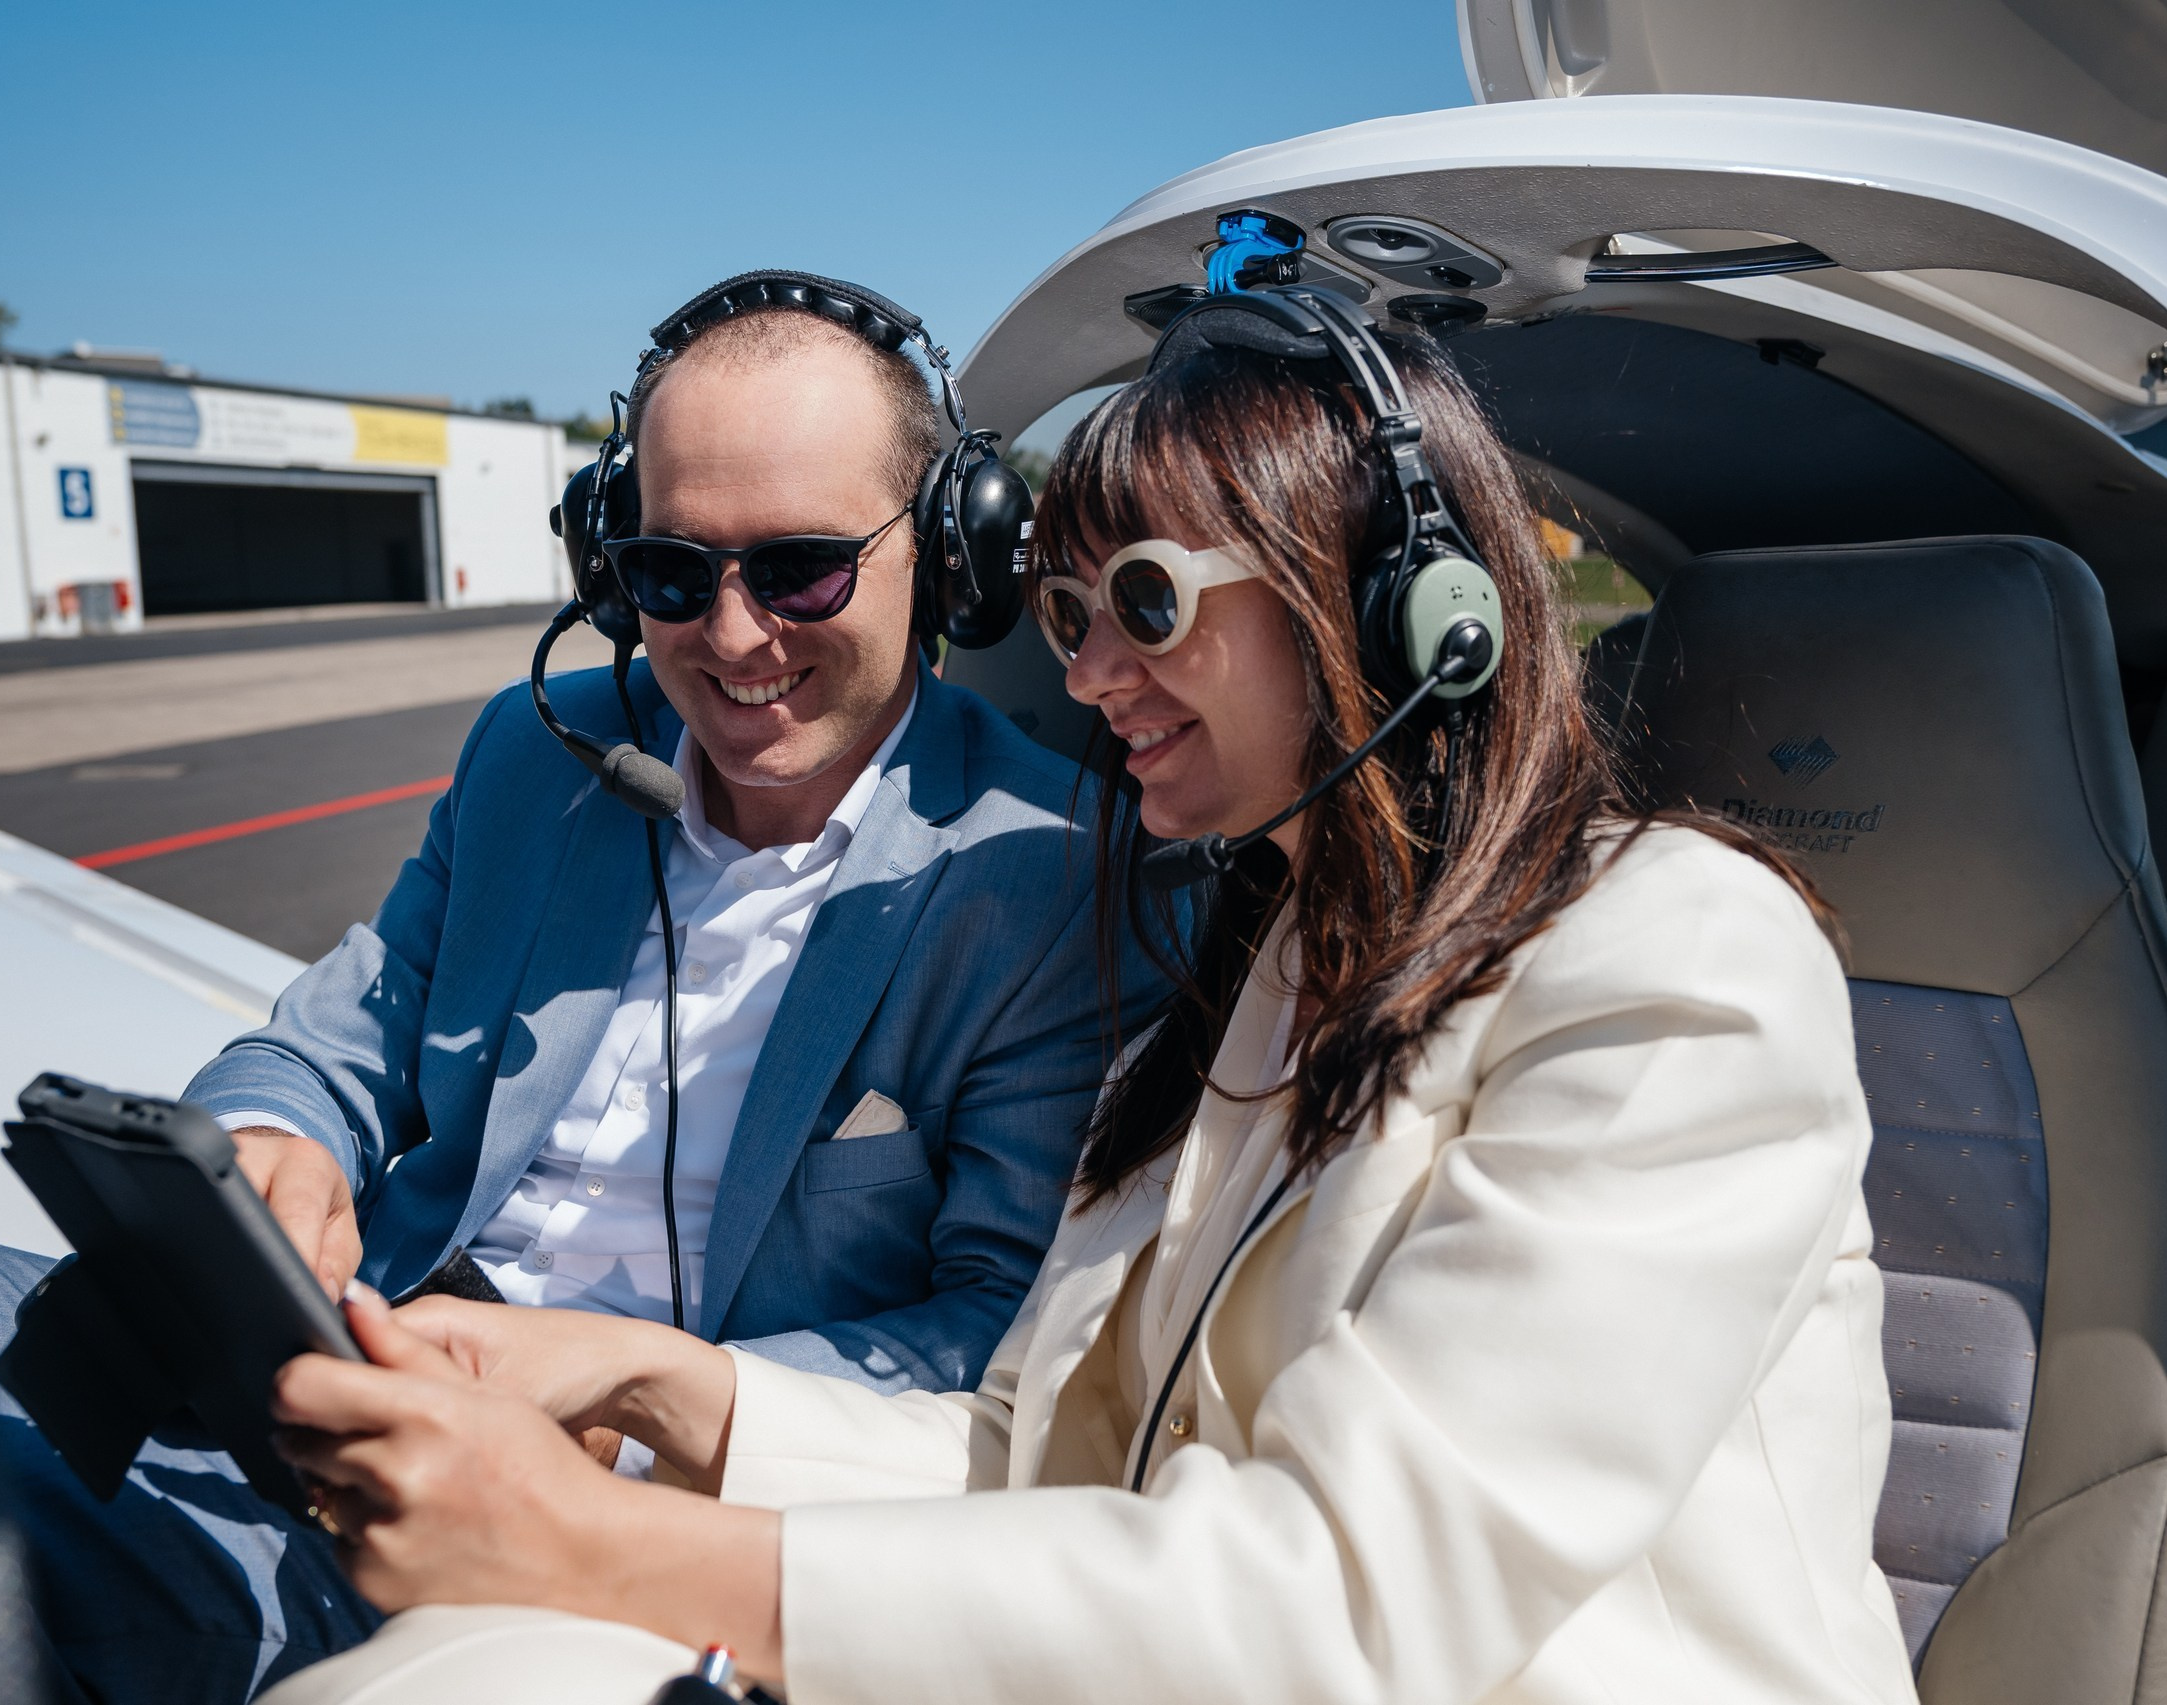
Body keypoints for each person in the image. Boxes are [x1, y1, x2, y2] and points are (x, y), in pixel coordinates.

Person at [254, 289, 1918, 1705]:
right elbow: (1040, 1459)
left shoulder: (1678, 958)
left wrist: (593, 1544)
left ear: (1403, 608)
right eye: (1066, 611)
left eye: (1146, 604)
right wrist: (631, 1379)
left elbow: (1336, 1610)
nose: (1085, 675)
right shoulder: (1261, 981)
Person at [0, 271, 1158, 1704]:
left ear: (953, 555)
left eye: (800, 570)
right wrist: (274, 1144)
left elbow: (992, 1336)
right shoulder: (541, 754)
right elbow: (340, 1036)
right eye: (668, 571)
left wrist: (609, 1392)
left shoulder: (1052, 874)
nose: (729, 636)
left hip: (579, 1515)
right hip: (356, 1352)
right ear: (608, 568)